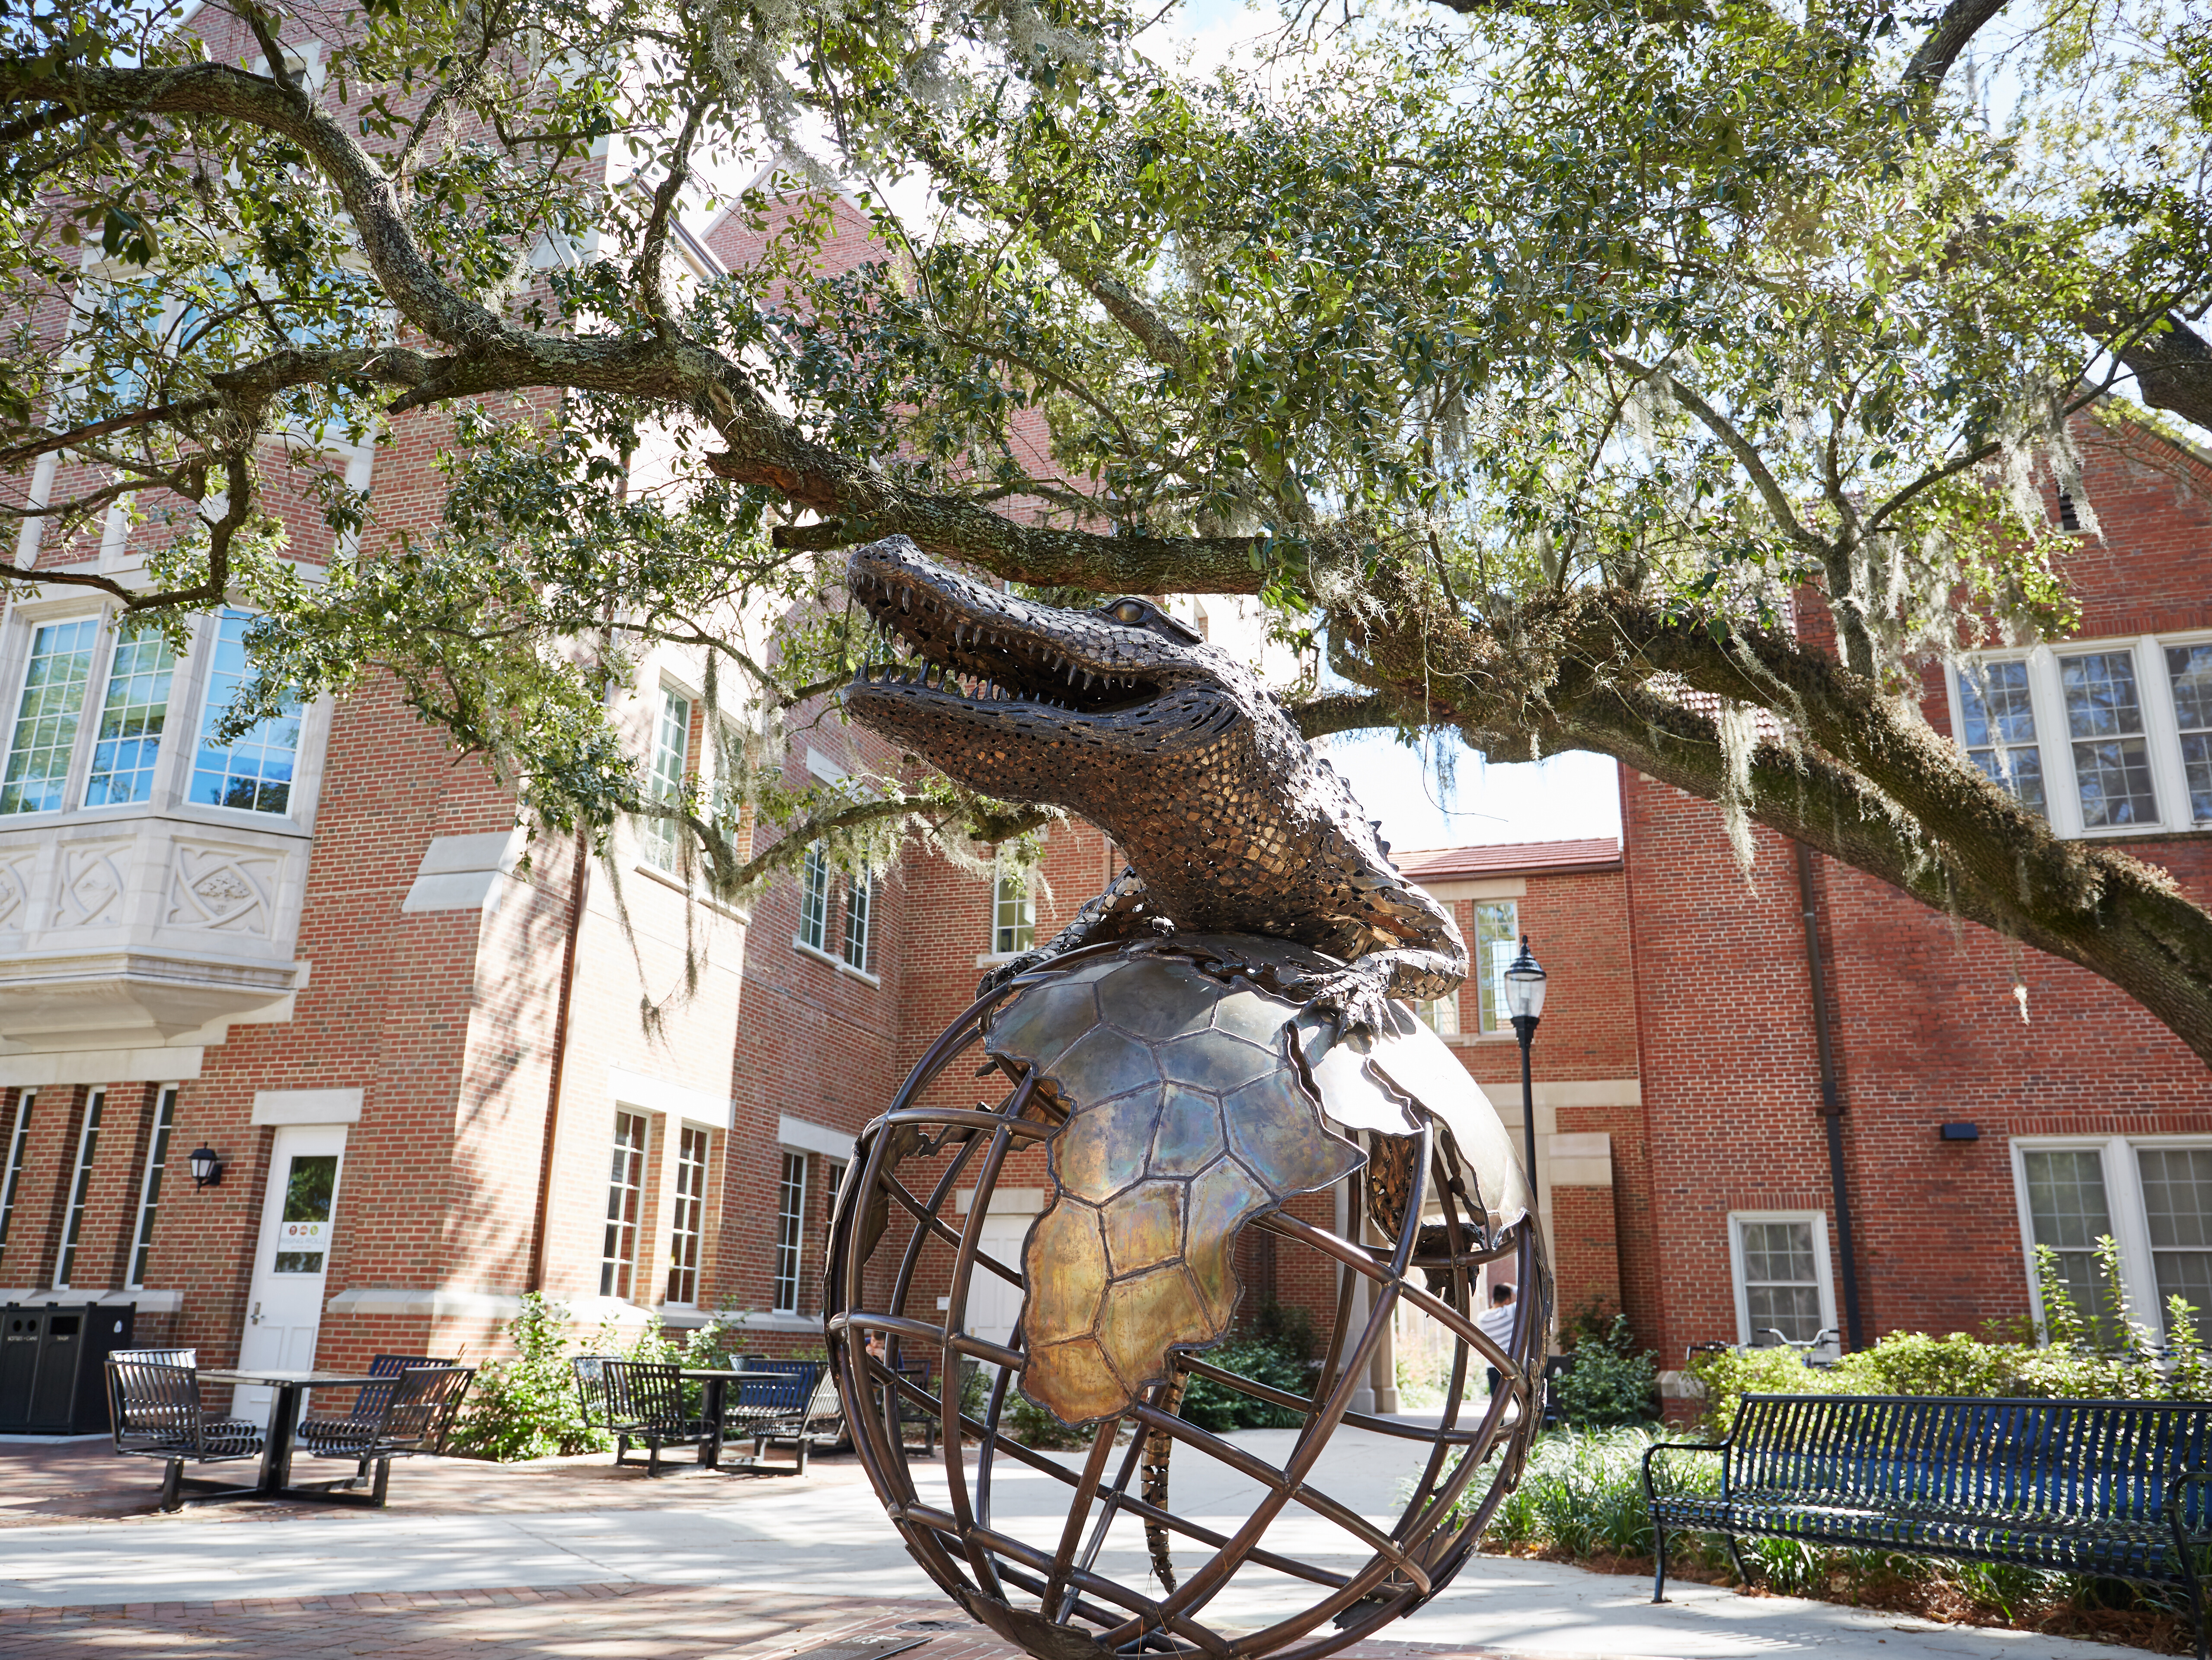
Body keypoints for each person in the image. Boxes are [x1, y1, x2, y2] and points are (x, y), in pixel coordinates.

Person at [1475, 1281, 1517, 1398]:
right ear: (1507, 1301)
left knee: (1497, 1406)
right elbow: (1530, 1298)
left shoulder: (1482, 1318)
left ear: (1494, 1299)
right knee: (1523, 1403)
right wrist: (1512, 1287)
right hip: (1510, 1365)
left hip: (1492, 1366)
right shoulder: (1509, 1312)